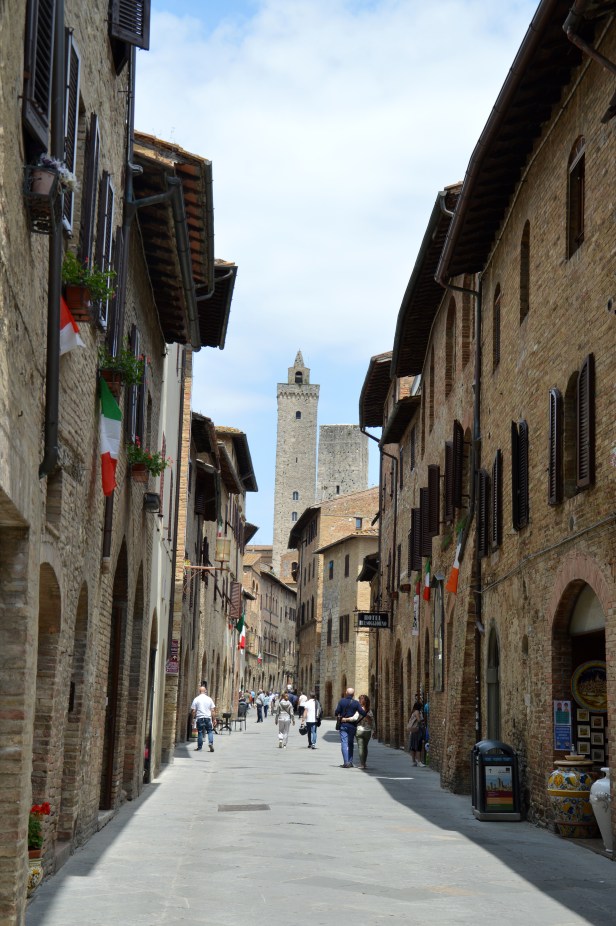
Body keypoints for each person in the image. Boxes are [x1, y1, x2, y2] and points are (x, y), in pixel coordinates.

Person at [335, 687, 365, 768]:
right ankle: (350, 762)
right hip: (352, 726)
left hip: (343, 725)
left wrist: (340, 715)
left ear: (346, 693)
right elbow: (362, 713)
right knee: (350, 743)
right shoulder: (356, 703)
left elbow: (336, 712)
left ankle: (346, 762)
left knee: (344, 743)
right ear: (353, 694)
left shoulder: (341, 701)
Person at [190, 686, 216, 752]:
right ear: (205, 691)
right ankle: (210, 743)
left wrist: (192, 719)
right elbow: (212, 710)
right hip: (207, 718)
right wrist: (214, 719)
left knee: (200, 732)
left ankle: (199, 747)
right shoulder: (209, 699)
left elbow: (193, 711)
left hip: (200, 718)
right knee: (210, 731)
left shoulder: (196, 699)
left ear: (199, 691)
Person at [356, 694, 374, 769]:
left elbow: (354, 719)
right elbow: (372, 721)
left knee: (360, 747)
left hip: (359, 730)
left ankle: (362, 763)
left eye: (360, 699)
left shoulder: (357, 710)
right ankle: (364, 763)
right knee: (365, 747)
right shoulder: (369, 710)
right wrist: (374, 730)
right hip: (368, 730)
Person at [407, 700, 425, 767]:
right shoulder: (417, 712)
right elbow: (419, 720)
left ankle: (414, 761)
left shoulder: (413, 712)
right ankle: (419, 762)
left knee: (413, 746)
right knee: (418, 746)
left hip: (413, 731)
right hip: (417, 731)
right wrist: (423, 721)